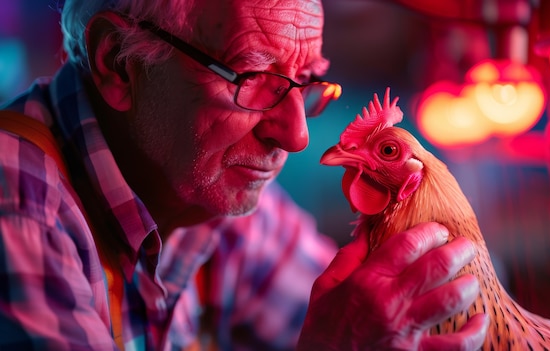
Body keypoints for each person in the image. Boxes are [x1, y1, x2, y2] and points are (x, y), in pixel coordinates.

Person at [0, 0, 489, 350]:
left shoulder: (211, 195)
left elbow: (381, 322)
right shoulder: (19, 202)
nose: (296, 136)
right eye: (253, 79)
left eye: (306, 81)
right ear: (119, 63)